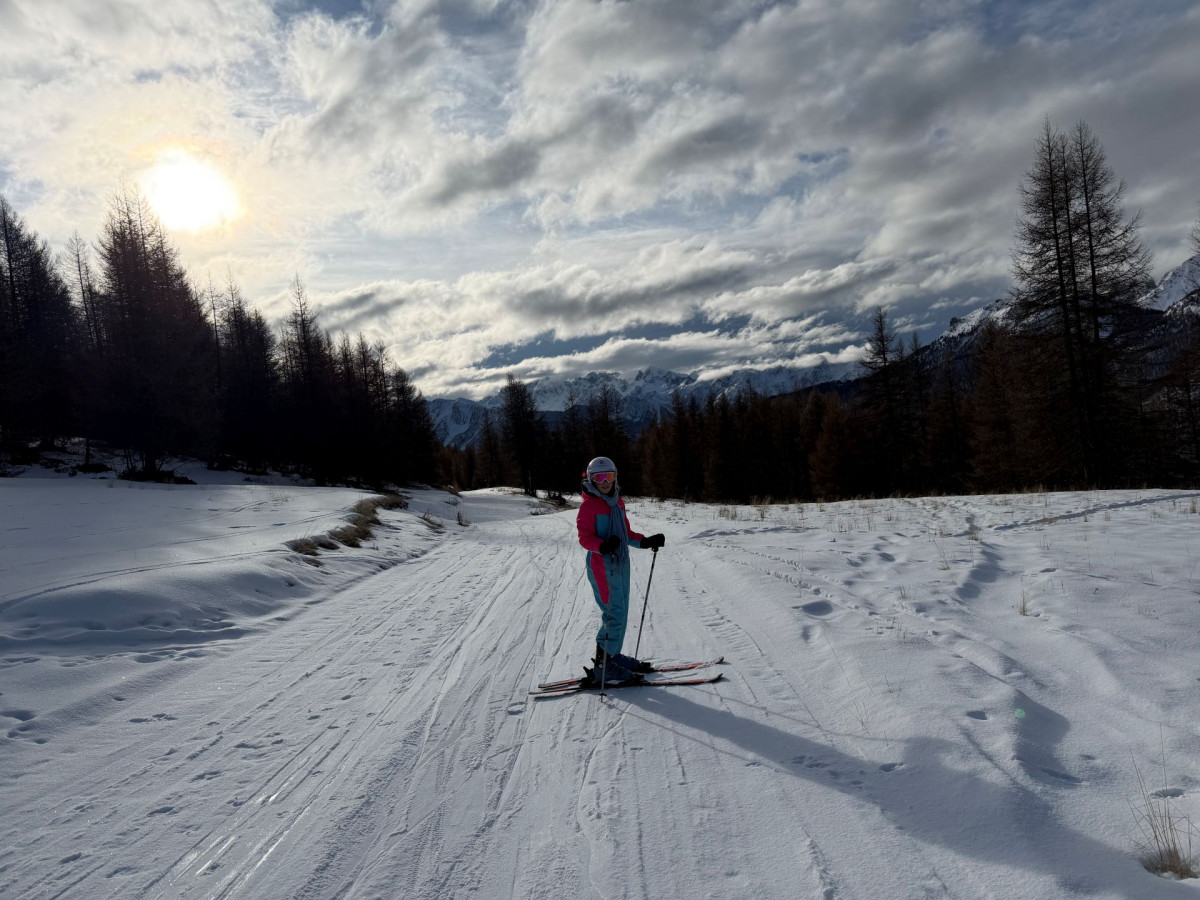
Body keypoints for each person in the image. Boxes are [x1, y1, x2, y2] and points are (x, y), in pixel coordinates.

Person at [576, 456, 665, 685]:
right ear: (591, 479)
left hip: (620, 564)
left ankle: (612, 656)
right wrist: (602, 546)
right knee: (613, 614)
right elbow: (584, 538)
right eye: (600, 477)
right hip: (602, 565)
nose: (605, 482)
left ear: (615, 477)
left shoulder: (618, 502)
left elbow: (625, 533)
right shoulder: (589, 506)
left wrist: (644, 541)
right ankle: (603, 667)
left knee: (621, 612)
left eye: (610, 477)